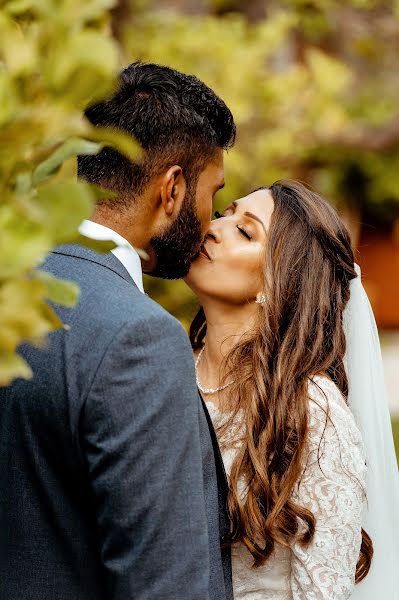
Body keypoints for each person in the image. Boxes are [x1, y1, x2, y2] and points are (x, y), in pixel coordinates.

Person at [0, 62, 236, 600]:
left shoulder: (10, 285)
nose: (212, 216)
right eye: (213, 192)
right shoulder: (137, 338)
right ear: (172, 189)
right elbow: (165, 583)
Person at [185, 180, 399, 599]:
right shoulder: (164, 369)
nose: (213, 227)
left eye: (245, 232)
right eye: (225, 213)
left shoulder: (314, 412)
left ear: (278, 281)